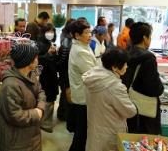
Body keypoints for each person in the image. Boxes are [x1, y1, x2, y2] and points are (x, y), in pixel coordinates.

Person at [82, 48, 137, 151]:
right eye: (125, 64)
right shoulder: (115, 86)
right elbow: (130, 111)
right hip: (110, 131)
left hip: (95, 128)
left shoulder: (93, 75)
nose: (127, 66)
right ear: (115, 67)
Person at [0, 43, 46, 151]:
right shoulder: (10, 85)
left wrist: (40, 108)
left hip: (32, 135)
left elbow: (40, 92)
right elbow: (15, 116)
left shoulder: (31, 74)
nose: (37, 60)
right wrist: (36, 113)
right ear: (28, 61)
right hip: (17, 141)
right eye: (35, 58)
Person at [122, 22, 164, 134]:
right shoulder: (148, 58)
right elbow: (154, 88)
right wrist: (161, 88)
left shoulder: (126, 54)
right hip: (145, 113)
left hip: (129, 105)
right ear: (145, 38)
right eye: (150, 37)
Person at [68, 20, 98, 151]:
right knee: (81, 134)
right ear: (77, 35)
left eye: (90, 32)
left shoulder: (83, 46)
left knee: (82, 132)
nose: (90, 35)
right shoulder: (80, 51)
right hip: (83, 97)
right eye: (86, 33)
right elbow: (91, 74)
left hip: (83, 95)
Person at [37, 23, 59, 132]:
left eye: (52, 31)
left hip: (52, 75)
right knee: (47, 99)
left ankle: (46, 121)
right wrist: (49, 54)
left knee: (51, 98)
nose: (50, 33)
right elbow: (38, 62)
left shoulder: (52, 43)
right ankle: (44, 123)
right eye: (48, 31)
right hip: (44, 76)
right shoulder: (39, 45)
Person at [57, 18, 75, 121]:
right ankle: (63, 114)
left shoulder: (66, 37)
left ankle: (63, 113)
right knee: (65, 93)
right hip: (66, 71)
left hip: (65, 71)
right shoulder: (67, 40)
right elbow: (63, 58)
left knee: (65, 93)